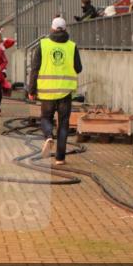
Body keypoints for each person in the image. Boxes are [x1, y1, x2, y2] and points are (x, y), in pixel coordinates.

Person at [29, 16, 83, 166]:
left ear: (52, 28)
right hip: (65, 92)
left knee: (46, 118)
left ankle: (48, 136)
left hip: (47, 91)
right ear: (65, 29)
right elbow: (78, 68)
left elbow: (34, 69)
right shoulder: (72, 46)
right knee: (64, 123)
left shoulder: (43, 45)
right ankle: (60, 158)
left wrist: (31, 89)